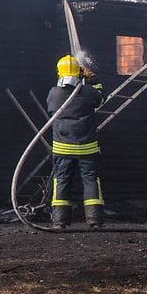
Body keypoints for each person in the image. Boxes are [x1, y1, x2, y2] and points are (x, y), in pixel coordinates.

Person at [46, 54, 105, 229]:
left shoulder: (54, 94)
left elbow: (50, 107)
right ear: (79, 72)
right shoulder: (87, 92)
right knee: (90, 180)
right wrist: (92, 79)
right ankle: (94, 220)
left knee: (62, 180)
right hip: (87, 147)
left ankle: (59, 221)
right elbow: (101, 98)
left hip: (62, 148)